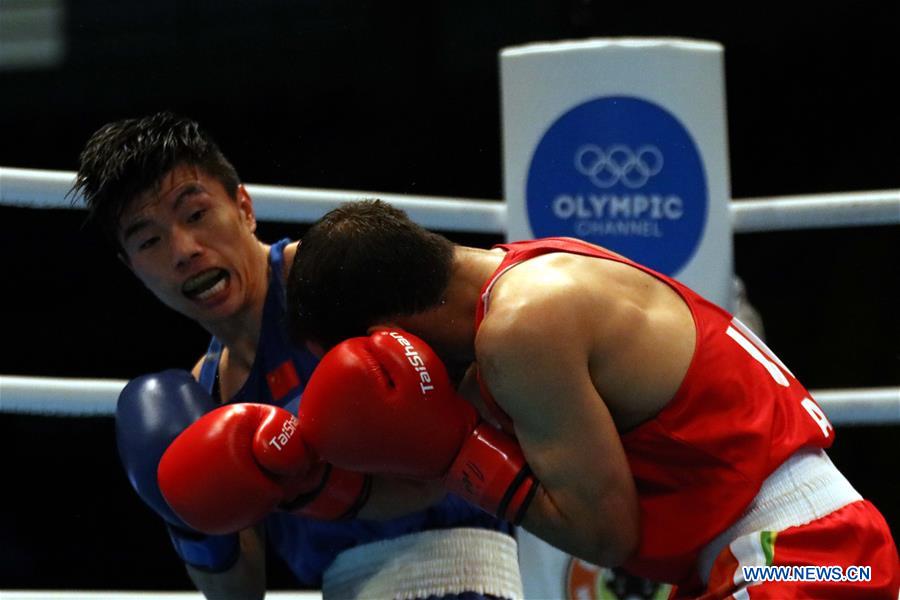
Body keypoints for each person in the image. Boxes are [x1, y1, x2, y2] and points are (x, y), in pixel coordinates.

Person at [280, 199, 900, 599]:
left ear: (384, 333)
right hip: (803, 559)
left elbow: (605, 534)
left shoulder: (521, 329)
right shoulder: (531, 270)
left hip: (800, 562)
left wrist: (454, 455)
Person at [72, 114, 522, 600]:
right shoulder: (205, 399)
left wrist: (324, 470)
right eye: (149, 240)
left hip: (473, 572)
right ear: (131, 267)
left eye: (196, 214)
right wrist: (186, 518)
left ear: (243, 206)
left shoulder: (338, 274)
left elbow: (494, 341)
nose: (184, 250)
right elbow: (237, 593)